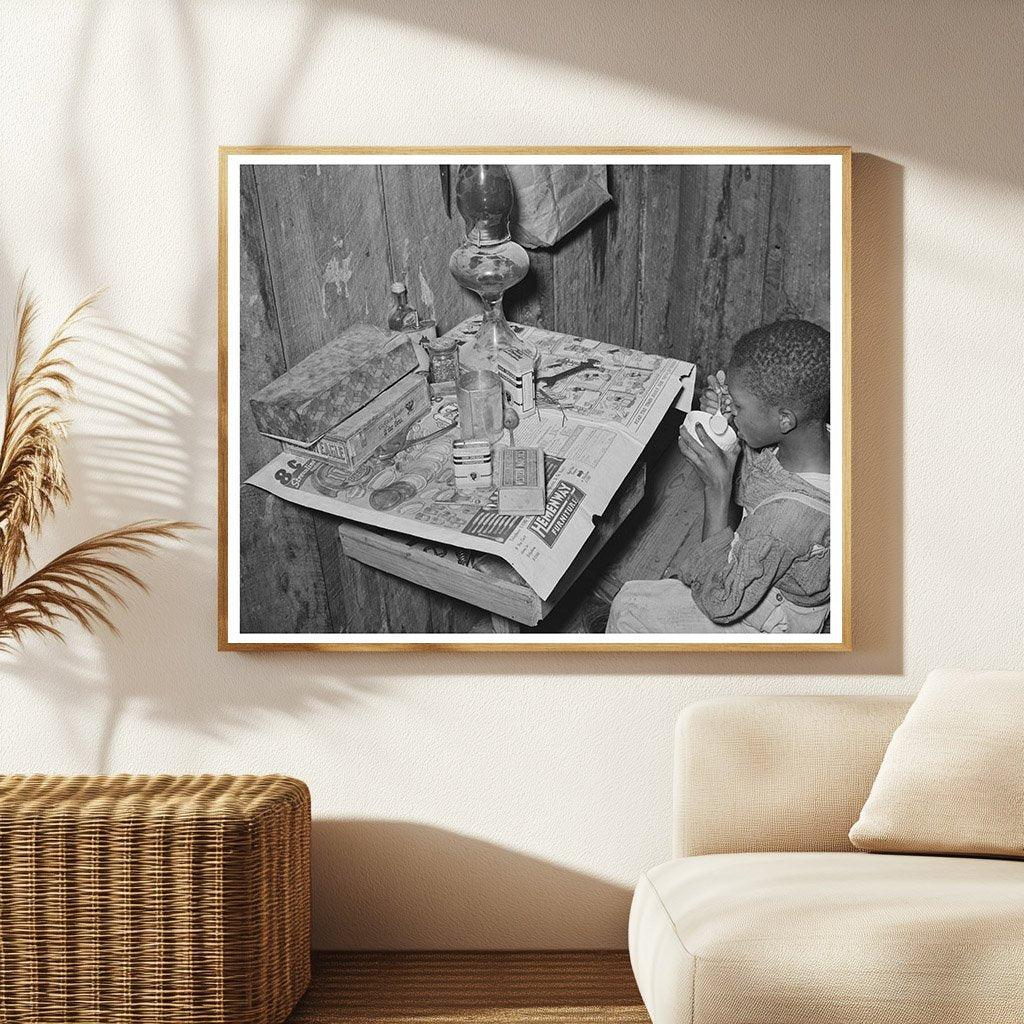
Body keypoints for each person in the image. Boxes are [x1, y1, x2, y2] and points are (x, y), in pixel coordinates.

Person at [606, 319, 831, 635]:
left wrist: (717, 485)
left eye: (737, 404)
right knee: (669, 587)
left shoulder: (784, 523)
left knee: (628, 606)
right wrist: (729, 419)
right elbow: (766, 480)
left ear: (784, 419)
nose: (731, 408)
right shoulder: (816, 443)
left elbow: (720, 601)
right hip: (767, 567)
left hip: (770, 619)